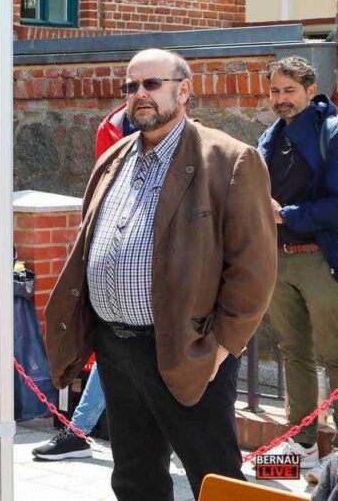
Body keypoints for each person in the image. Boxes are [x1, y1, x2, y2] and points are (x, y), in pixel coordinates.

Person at [44, 48, 277, 501]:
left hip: (186, 348)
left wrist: (222, 348)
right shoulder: (113, 157)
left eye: (152, 84)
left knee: (214, 476)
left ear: (184, 90)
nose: (139, 95)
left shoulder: (229, 159)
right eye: (131, 86)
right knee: (134, 477)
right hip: (116, 348)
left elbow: (254, 269)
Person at [33, 102, 132, 461]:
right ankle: (78, 430)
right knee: (111, 348)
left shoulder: (189, 139)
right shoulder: (114, 128)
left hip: (161, 274)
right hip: (115, 264)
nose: (140, 93)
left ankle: (79, 430)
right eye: (132, 87)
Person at [256, 56, 338, 474]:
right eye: (274, 90)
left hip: (321, 261)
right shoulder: (268, 138)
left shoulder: (332, 133)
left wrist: (287, 215)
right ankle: (302, 446)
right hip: (278, 261)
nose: (280, 98)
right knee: (293, 354)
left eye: (289, 90)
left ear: (310, 90)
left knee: (336, 356)